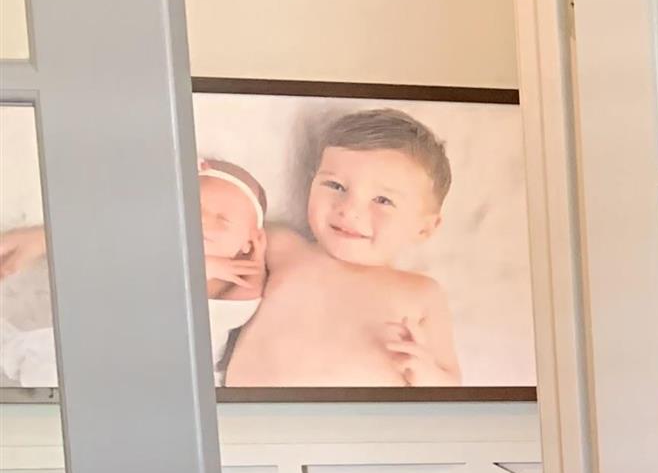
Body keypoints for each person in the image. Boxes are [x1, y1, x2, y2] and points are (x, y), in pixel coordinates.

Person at [221, 108, 462, 389]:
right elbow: (216, 231)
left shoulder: (421, 292)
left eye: (383, 200)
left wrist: (425, 372)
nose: (349, 210)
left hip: (360, 416)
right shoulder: (282, 247)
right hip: (251, 411)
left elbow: (452, 384)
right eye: (335, 185)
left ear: (424, 228)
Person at [0, 156, 277, 388]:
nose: (203, 220)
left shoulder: (231, 282)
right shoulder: (155, 249)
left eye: (223, 220)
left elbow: (244, 303)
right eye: (195, 207)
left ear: (249, 242)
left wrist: (256, 263)